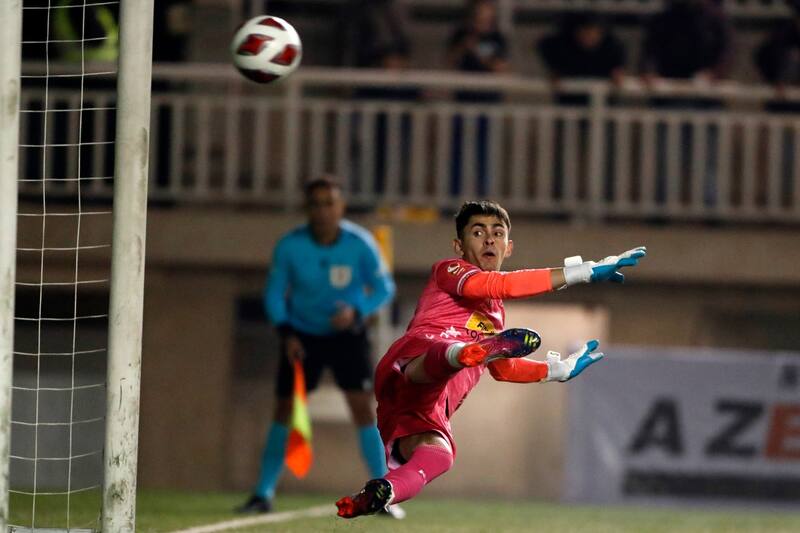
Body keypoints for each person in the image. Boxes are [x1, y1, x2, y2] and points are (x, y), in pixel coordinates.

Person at [335, 200, 646, 518]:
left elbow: (503, 368)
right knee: (444, 356)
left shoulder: (495, 316)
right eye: (478, 232)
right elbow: (499, 284)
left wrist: (557, 369)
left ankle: (383, 492)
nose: (489, 239)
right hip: (412, 362)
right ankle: (460, 354)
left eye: (498, 233)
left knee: (439, 453)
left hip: (424, 407)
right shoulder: (449, 270)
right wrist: (583, 271)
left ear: (508, 247)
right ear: (459, 245)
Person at [238, 176, 403, 518]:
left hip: (348, 337)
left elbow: (384, 288)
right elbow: (274, 294)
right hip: (302, 336)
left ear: (341, 206)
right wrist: (287, 333)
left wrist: (358, 312)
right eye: (317, 203)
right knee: (284, 409)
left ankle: (383, 491)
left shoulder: (360, 243)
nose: (324, 209)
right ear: (307, 208)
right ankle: (263, 493)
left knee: (364, 408)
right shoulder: (290, 246)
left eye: (330, 202)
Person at [447, 0, 510, 197]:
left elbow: (500, 67)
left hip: (487, 100)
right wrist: (464, 46)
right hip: (463, 99)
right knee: (458, 151)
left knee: (485, 152)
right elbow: (449, 62)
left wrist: (478, 50)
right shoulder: (460, 34)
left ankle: (484, 198)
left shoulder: (497, 38)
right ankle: (453, 196)